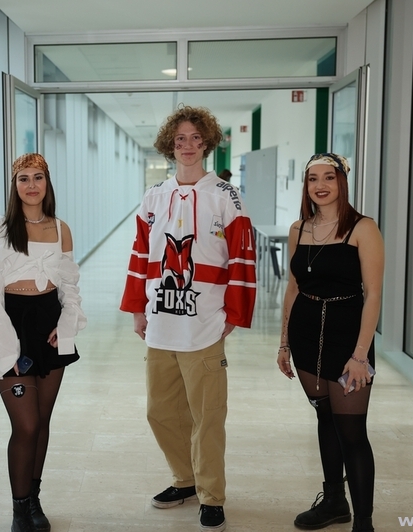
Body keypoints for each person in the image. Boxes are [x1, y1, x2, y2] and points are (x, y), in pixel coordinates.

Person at [120, 106, 257, 532]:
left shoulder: (226, 196)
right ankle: (186, 480)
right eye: (180, 138)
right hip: (160, 323)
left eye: (196, 137)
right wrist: (138, 309)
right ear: (170, 145)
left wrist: (234, 313)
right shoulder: (153, 196)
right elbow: (140, 255)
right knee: (160, 412)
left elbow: (242, 257)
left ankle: (212, 495)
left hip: (204, 324)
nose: (188, 145)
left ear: (207, 142)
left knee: (208, 416)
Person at [0, 153, 87, 532]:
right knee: (26, 424)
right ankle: (19, 509)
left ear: (47, 183)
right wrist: (7, 345)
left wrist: (66, 325)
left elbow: (69, 285)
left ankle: (34, 499)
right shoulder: (0, 229)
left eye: (38, 177)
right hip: (12, 326)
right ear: (15, 185)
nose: (32, 185)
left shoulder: (61, 229)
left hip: (49, 327)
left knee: (42, 422)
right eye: (24, 178)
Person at [277, 153, 384, 532]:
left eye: (328, 177)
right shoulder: (299, 229)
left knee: (352, 431)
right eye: (312, 179)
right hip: (306, 334)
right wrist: (284, 342)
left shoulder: (362, 228)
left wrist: (360, 356)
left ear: (342, 182)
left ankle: (364, 522)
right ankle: (335, 502)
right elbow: (293, 288)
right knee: (325, 417)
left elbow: (373, 294)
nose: (320, 185)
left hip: (347, 338)